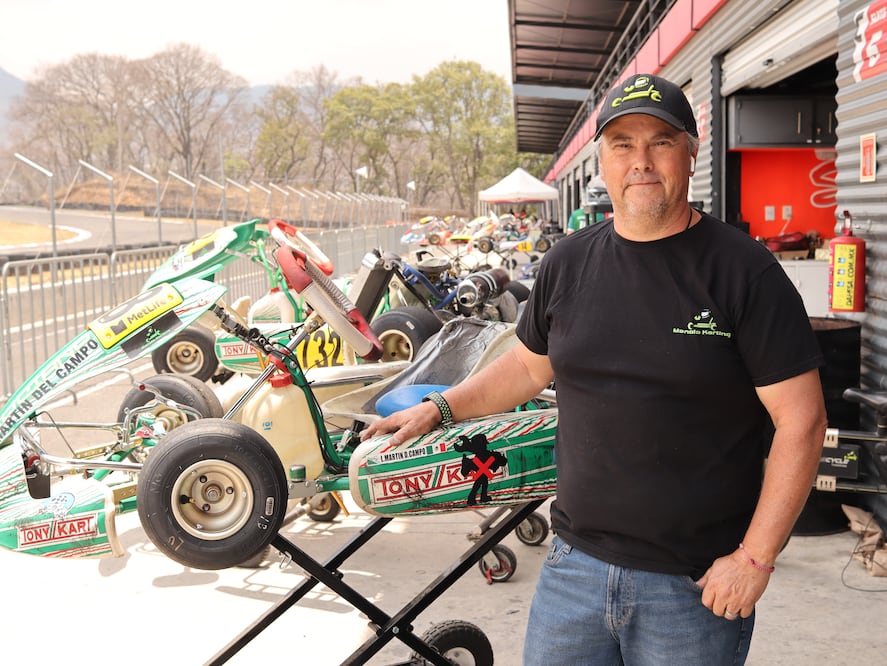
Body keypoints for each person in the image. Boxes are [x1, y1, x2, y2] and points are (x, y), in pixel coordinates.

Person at [361, 72, 827, 665]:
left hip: (693, 587)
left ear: (690, 150)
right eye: (622, 144)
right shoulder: (567, 263)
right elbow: (527, 370)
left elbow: (802, 423)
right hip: (572, 570)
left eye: (660, 140)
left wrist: (756, 559)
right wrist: (441, 407)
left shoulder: (744, 272)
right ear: (602, 159)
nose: (641, 161)